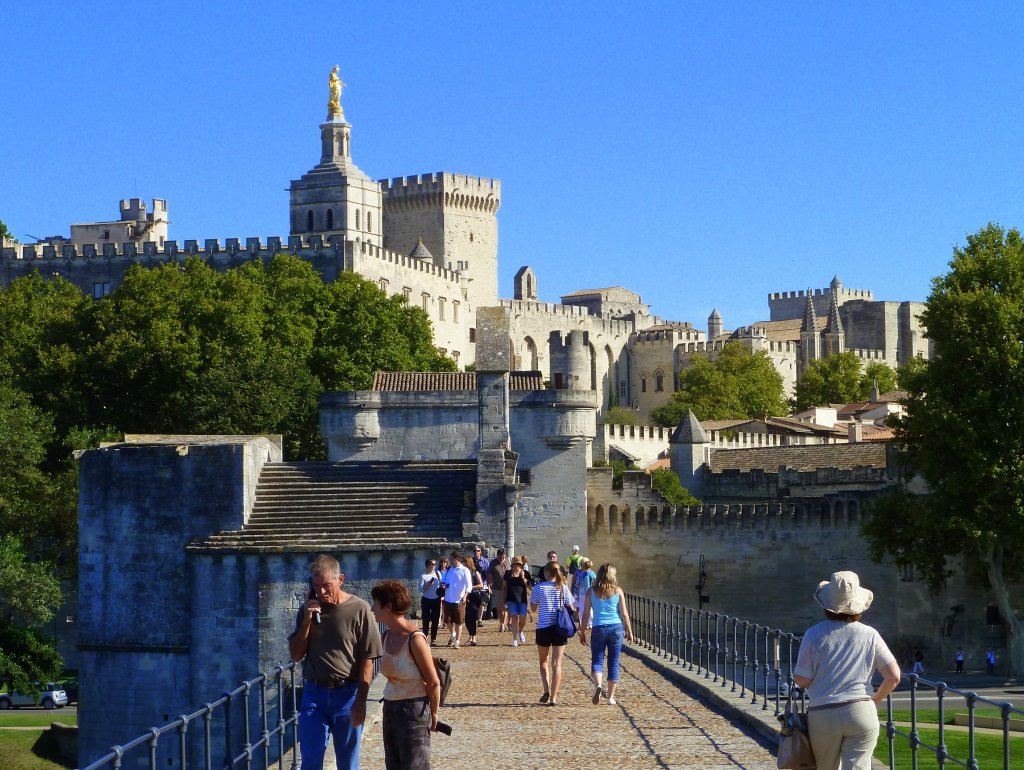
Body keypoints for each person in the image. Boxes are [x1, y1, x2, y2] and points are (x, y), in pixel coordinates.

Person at [792, 571, 901, 770]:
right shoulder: (870, 634)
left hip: (823, 712)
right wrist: (875, 700)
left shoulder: (813, 634)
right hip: (861, 709)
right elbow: (893, 676)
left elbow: (802, 680)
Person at [288, 554, 383, 770]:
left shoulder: (359, 609)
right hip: (314, 695)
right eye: (317, 586)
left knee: (347, 764)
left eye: (327, 585)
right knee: (310, 762)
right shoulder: (307, 611)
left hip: (347, 694)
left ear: (340, 580)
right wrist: (307, 622)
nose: (321, 592)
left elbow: (368, 660)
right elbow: (295, 655)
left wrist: (361, 703)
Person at [371, 579, 440, 770]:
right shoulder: (385, 636)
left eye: (376, 603)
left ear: (389, 606)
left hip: (414, 710)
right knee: (393, 765)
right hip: (390, 707)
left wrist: (434, 714)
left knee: (414, 766)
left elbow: (433, 682)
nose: (372, 608)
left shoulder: (415, 639)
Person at [579, 562, 633, 705]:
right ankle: (610, 698)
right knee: (614, 663)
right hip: (616, 628)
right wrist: (629, 631)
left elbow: (585, 614)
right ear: (612, 575)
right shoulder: (618, 591)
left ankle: (598, 685)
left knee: (597, 660)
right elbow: (624, 613)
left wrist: (582, 631)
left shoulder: (591, 591)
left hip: (598, 628)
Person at [529, 560, 574, 705]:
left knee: (543, 661)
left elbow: (534, 608)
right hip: (559, 628)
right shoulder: (563, 588)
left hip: (543, 628)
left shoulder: (538, 588)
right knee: (557, 664)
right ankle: (554, 697)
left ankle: (546, 690)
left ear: (546, 572)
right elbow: (571, 608)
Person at [441, 552, 472, 648]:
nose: (450, 561)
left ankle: (457, 641)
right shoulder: (449, 569)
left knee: (458, 622)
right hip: (448, 599)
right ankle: (453, 634)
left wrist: (465, 596)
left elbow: (469, 585)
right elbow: (443, 579)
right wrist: (443, 584)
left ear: (457, 559)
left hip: (459, 600)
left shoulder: (464, 570)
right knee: (448, 621)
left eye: (452, 559)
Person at [501, 557, 531, 646]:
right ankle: (514, 639)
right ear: (512, 565)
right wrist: (503, 600)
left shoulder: (525, 573)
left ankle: (520, 631)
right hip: (511, 599)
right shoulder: (508, 573)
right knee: (514, 618)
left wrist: (523, 578)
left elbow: (530, 587)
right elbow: (503, 587)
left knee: (523, 618)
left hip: (522, 599)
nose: (517, 567)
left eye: (519, 565)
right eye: (515, 565)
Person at [419, 559, 443, 647]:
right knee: (425, 620)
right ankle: (425, 639)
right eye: (433, 564)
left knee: (435, 620)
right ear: (428, 565)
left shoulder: (437, 574)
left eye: (435, 564)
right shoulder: (423, 576)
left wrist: (443, 587)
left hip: (436, 599)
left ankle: (433, 639)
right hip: (426, 599)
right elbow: (421, 589)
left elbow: (441, 584)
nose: (434, 565)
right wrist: (428, 584)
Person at [465, 556, 486, 646]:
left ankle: (474, 638)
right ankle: (470, 636)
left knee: (472, 616)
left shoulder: (475, 573)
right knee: (467, 619)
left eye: (464, 562)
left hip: (474, 596)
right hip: (466, 596)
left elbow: (481, 585)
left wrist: (471, 587)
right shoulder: (464, 573)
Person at [488, 548, 511, 628]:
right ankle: (501, 624)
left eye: (503, 557)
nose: (501, 559)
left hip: (507, 588)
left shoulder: (509, 562)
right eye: (500, 557)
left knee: (506, 607)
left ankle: (504, 623)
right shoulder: (493, 563)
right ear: (497, 556)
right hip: (497, 587)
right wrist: (489, 585)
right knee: (499, 607)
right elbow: (490, 574)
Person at [573, 558, 596, 627]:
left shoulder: (581, 574)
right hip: (590, 592)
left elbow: (578, 583)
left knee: (581, 607)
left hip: (581, 592)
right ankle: (590, 623)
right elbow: (595, 581)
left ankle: (582, 623)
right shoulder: (592, 573)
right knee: (590, 608)